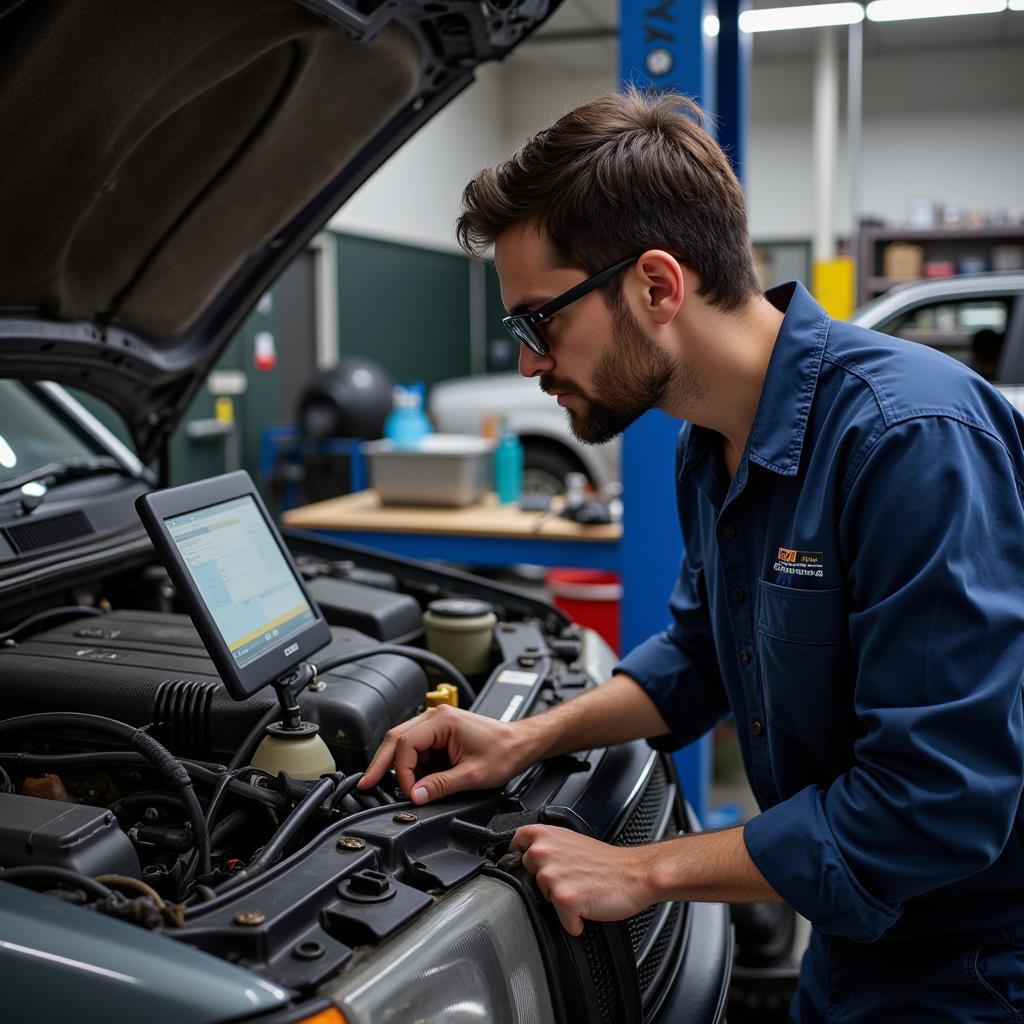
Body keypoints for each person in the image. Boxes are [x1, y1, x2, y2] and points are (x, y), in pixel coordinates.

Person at [359, 88, 1024, 1021]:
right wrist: (524, 738)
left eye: (538, 321)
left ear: (658, 286)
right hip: (848, 939)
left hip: (979, 965)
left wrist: (644, 872)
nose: (528, 365)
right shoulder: (707, 443)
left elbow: (938, 800)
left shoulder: (908, 439)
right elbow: (703, 656)